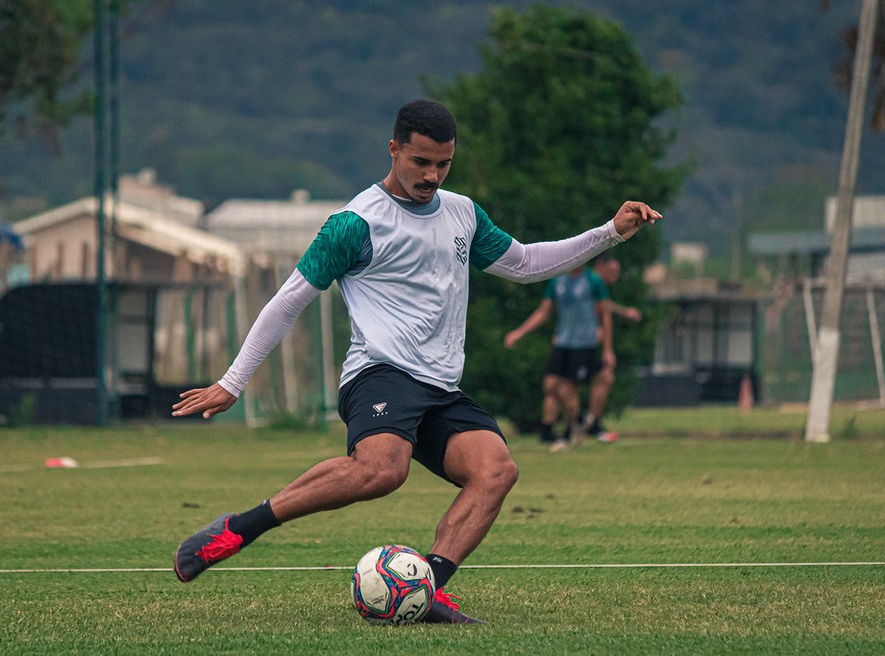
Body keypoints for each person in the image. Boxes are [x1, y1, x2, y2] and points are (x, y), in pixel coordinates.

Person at [170, 99, 661, 624]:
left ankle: (425, 590)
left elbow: (525, 264)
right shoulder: (353, 224)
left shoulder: (463, 213)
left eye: (443, 164)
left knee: (496, 471)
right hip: (379, 372)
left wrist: (610, 232)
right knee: (383, 470)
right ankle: (239, 529)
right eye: (420, 162)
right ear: (394, 149)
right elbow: (288, 300)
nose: (431, 175)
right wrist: (232, 381)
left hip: (441, 386)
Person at [503, 264, 614, 452]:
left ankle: (571, 430)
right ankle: (556, 428)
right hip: (562, 343)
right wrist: (519, 332)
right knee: (551, 386)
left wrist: (608, 349)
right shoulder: (558, 280)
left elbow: (606, 315)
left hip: (584, 344)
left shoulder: (593, 281)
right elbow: (543, 312)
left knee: (569, 388)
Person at [579, 255, 643, 444]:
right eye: (612, 271)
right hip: (580, 342)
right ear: (601, 267)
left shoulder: (594, 282)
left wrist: (624, 312)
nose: (615, 275)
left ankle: (590, 423)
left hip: (585, 341)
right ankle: (585, 425)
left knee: (601, 378)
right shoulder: (590, 280)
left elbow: (603, 306)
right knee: (572, 384)